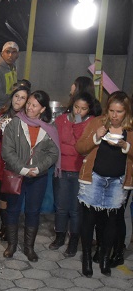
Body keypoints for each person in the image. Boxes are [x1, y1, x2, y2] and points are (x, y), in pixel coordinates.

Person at [75, 91, 133, 276]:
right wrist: (96, 137)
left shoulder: (130, 129)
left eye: (119, 112)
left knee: (111, 222)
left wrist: (125, 146)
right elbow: (80, 147)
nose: (114, 115)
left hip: (117, 182)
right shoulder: (97, 123)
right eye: (111, 111)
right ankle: (86, 259)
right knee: (89, 219)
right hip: (94, 178)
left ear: (126, 112)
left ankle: (105, 258)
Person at [1, 90, 60, 262]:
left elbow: (53, 153)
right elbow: (7, 151)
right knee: (13, 209)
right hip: (16, 175)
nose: (29, 108)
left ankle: (29, 247)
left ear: (43, 109)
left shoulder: (49, 128)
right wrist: (23, 169)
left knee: (33, 212)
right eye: (28, 104)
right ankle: (11, 245)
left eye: (34, 105)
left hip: (38, 176)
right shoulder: (15, 123)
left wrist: (38, 168)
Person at [51, 91, 99, 256]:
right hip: (61, 168)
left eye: (83, 109)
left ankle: (73, 241)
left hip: (80, 170)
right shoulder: (61, 120)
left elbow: (82, 146)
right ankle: (60, 236)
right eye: (76, 107)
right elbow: (55, 142)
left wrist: (78, 124)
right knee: (61, 206)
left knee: (76, 209)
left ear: (89, 109)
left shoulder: (91, 123)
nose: (78, 111)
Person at [0, 85, 30, 241]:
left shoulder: (27, 117)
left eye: (22, 98)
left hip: (17, 161)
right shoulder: (3, 113)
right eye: (16, 96)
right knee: (2, 195)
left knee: (13, 195)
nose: (18, 100)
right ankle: (4, 225)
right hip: (1, 161)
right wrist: (0, 127)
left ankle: (11, 227)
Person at [0, 42, 20, 115]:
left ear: (17, 55)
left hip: (7, 109)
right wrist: (12, 98)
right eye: (7, 52)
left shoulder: (13, 67)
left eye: (13, 52)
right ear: (2, 53)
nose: (10, 55)